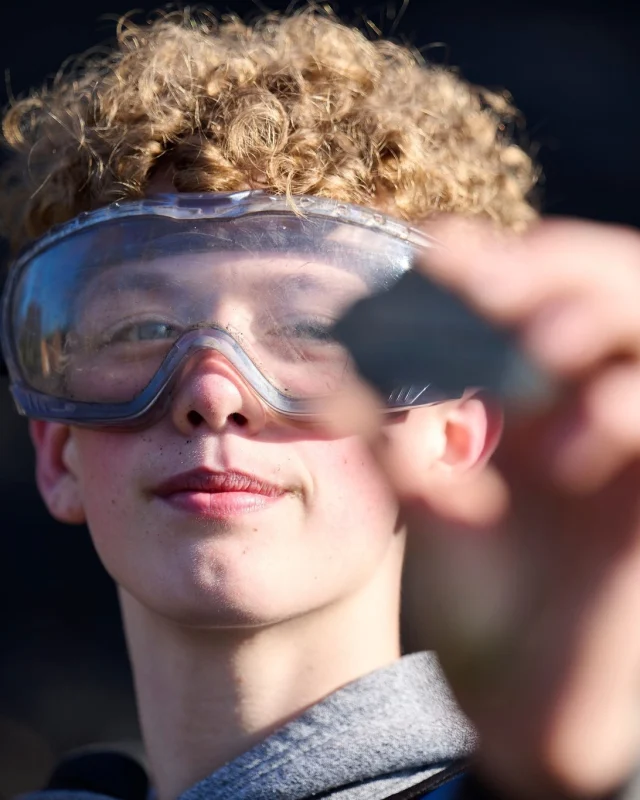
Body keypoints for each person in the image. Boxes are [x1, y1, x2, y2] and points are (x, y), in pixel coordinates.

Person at [3, 8, 640, 800]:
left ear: (456, 438)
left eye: (309, 328)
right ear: (58, 451)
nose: (212, 393)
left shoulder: (554, 776)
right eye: (145, 327)